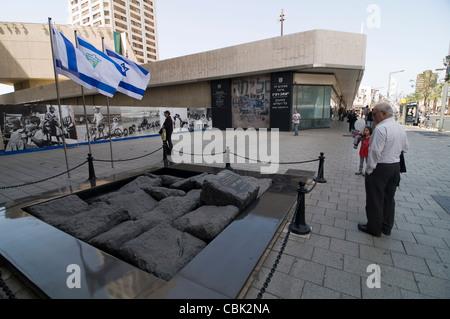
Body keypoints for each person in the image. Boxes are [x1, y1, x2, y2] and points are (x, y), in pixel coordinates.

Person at [358, 102, 409, 237]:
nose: (373, 117)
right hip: (395, 167)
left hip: (381, 167)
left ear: (384, 113)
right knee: (389, 198)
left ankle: (374, 228)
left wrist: (369, 169)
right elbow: (405, 148)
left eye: (374, 114)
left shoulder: (381, 129)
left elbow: (374, 152)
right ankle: (386, 226)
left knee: (375, 198)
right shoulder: (400, 128)